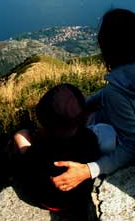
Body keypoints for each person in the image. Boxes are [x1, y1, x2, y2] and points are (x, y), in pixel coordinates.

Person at [52, 8, 135, 192]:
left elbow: (133, 147)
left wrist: (87, 170)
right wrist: (86, 105)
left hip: (120, 138)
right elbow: (114, 93)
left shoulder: (117, 92)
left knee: (64, 120)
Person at [13, 84, 100, 212]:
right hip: (79, 198)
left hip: (49, 201)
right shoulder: (89, 138)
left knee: (21, 134)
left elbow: (29, 162)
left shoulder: (42, 146)